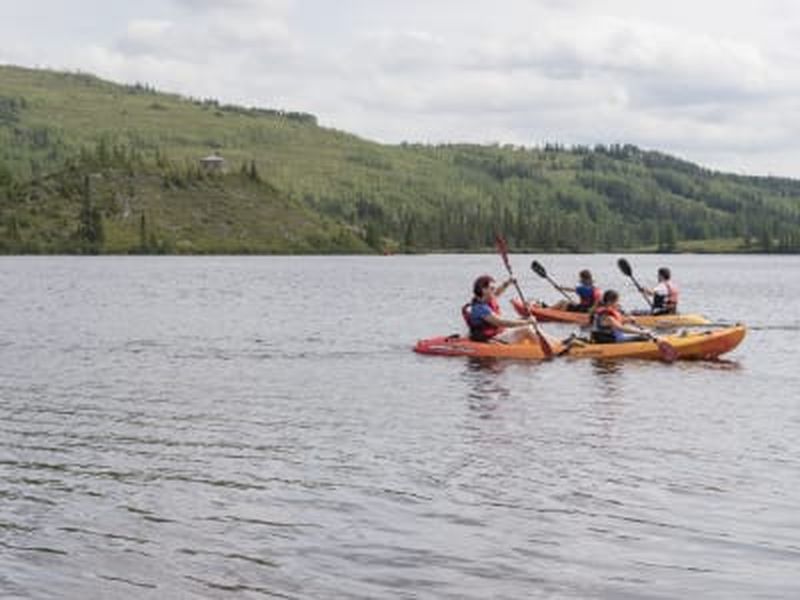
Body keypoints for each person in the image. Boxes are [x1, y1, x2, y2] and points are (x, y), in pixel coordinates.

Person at [464, 275, 549, 344]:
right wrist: (527, 322)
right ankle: (545, 349)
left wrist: (508, 282)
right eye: (492, 288)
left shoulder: (485, 299)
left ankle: (549, 341)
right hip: (492, 339)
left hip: (497, 333)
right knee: (527, 328)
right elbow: (501, 322)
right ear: (483, 290)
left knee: (526, 321)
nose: (494, 291)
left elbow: (498, 292)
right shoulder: (480, 308)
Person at [591, 289, 659, 343]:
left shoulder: (607, 314)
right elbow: (620, 328)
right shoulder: (607, 316)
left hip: (613, 338)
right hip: (611, 341)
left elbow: (616, 322)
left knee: (642, 336)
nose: (618, 304)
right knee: (643, 338)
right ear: (609, 302)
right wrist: (642, 332)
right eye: (617, 301)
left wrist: (628, 320)